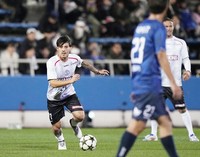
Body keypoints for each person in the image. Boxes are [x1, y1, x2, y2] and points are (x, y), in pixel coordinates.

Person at [116, 0, 182, 157]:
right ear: (166, 7)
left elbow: (135, 58)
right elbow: (161, 54)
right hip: (150, 83)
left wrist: (136, 84)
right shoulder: (157, 27)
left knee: (165, 122)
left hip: (142, 82)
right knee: (137, 125)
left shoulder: (141, 26)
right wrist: (174, 83)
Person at [46, 35, 109, 150]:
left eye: (66, 47)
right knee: (56, 127)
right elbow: (53, 83)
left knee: (80, 116)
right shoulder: (51, 62)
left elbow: (85, 63)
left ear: (70, 48)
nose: (64, 49)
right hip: (54, 98)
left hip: (69, 94)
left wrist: (97, 71)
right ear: (57, 49)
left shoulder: (74, 58)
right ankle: (61, 141)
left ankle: (73, 124)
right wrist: (71, 80)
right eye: (61, 47)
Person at [143, 18, 199, 142]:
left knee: (182, 109)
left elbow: (186, 59)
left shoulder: (180, 43)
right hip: (159, 83)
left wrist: (188, 71)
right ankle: (153, 134)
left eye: (170, 26)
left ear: (173, 27)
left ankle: (191, 134)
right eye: (166, 26)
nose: (168, 29)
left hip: (175, 84)